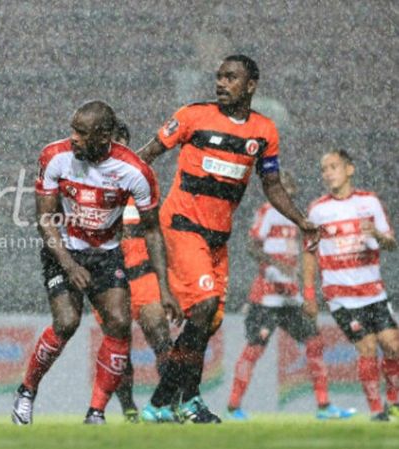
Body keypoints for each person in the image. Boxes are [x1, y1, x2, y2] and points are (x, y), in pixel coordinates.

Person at [136, 54, 320, 423]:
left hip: (218, 238)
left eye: (231, 78)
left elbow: (271, 185)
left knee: (209, 321)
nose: (221, 83)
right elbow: (147, 155)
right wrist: (117, 189)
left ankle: (163, 403)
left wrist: (302, 221)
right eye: (219, 77)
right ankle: (186, 401)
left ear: (251, 85)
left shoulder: (264, 131)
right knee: (203, 307)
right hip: (182, 225)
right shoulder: (192, 116)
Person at [11, 101, 181, 425]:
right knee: (67, 322)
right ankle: (27, 391)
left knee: (119, 323)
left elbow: (153, 232)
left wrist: (164, 289)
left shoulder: (135, 172)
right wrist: (70, 265)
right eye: (72, 129)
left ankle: (96, 412)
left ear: (104, 136)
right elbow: (44, 219)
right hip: (62, 248)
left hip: (105, 252)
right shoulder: (55, 156)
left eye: (81, 132)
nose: (72, 138)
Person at [226, 171, 355, 420]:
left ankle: (324, 406)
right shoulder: (267, 212)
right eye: (281, 187)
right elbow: (252, 246)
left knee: (314, 342)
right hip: (267, 297)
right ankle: (233, 407)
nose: (285, 191)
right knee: (253, 350)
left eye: (288, 186)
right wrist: (276, 265)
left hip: (291, 297)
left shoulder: (298, 218)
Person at [302, 149, 399, 421]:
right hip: (340, 296)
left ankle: (393, 401)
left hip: (373, 291)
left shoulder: (369, 202)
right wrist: (309, 293)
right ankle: (376, 411)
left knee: (393, 346)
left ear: (349, 169)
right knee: (367, 346)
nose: (328, 173)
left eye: (333, 166)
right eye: (324, 169)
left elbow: (391, 243)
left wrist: (377, 234)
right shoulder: (318, 210)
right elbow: (308, 252)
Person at [92, 119, 174, 423]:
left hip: (142, 275)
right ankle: (128, 408)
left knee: (160, 333)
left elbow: (155, 231)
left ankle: (167, 402)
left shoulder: (142, 180)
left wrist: (166, 280)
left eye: (123, 144)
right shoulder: (89, 182)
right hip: (108, 280)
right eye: (114, 144)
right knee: (120, 347)